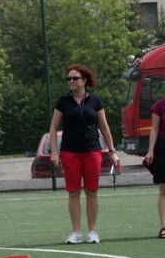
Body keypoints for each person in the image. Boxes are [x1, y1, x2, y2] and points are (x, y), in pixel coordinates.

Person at [49, 63, 119, 244]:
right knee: (73, 192)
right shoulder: (63, 102)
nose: (71, 81)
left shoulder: (95, 101)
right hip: (69, 153)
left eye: (75, 78)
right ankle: (76, 232)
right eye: (69, 79)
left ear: (84, 81)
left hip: (92, 152)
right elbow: (54, 127)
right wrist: (54, 153)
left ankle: (92, 232)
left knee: (92, 191)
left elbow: (104, 126)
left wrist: (112, 151)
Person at [144, 97, 165, 237]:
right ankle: (164, 227)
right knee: (163, 188)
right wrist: (151, 150)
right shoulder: (160, 105)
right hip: (163, 147)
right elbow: (154, 129)